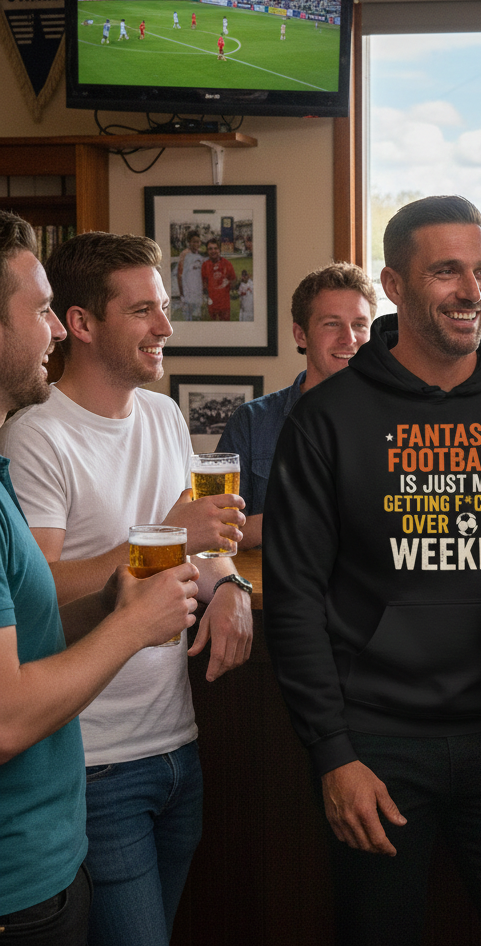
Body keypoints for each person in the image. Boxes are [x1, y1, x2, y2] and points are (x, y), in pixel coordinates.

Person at [263, 196, 481, 946]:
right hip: (377, 746)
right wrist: (333, 755)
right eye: (447, 270)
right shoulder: (326, 420)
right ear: (393, 285)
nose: (473, 289)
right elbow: (292, 599)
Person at [0, 231, 254, 946]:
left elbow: (195, 549)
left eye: (164, 307)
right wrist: (159, 534)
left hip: (176, 742)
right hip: (96, 760)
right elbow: (39, 590)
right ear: (82, 324)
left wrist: (230, 581)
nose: (165, 328)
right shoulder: (35, 436)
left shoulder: (166, 416)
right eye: (143, 310)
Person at [217, 262, 375, 548]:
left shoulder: (397, 420)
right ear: (301, 335)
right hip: (277, 589)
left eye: (359, 325)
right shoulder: (251, 423)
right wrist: (300, 517)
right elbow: (217, 532)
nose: (349, 338)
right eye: (332, 323)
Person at [201, 238, 235, 320]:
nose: (213, 251)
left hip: (224, 306)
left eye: (215, 248)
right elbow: (204, 284)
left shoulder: (227, 264)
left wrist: (227, 284)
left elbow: (233, 280)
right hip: (212, 305)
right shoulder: (205, 265)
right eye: (210, 249)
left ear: (219, 249)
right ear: (207, 251)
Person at [176, 231, 204, 321]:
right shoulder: (185, 254)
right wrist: (182, 293)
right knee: (188, 320)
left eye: (198, 241)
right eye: (194, 241)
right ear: (189, 242)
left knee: (197, 319)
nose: (196, 244)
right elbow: (179, 275)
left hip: (197, 293)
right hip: (187, 293)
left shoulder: (199, 255)